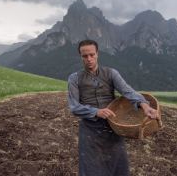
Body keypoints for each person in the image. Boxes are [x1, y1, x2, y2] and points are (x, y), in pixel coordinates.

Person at [67, 39, 158, 176]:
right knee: (91, 170)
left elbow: (128, 91)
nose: (89, 59)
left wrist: (145, 106)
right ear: (81, 57)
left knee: (118, 168)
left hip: (112, 128)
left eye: (92, 55)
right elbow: (74, 107)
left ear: (97, 54)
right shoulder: (74, 78)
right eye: (85, 56)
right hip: (89, 131)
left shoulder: (111, 73)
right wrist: (96, 112)